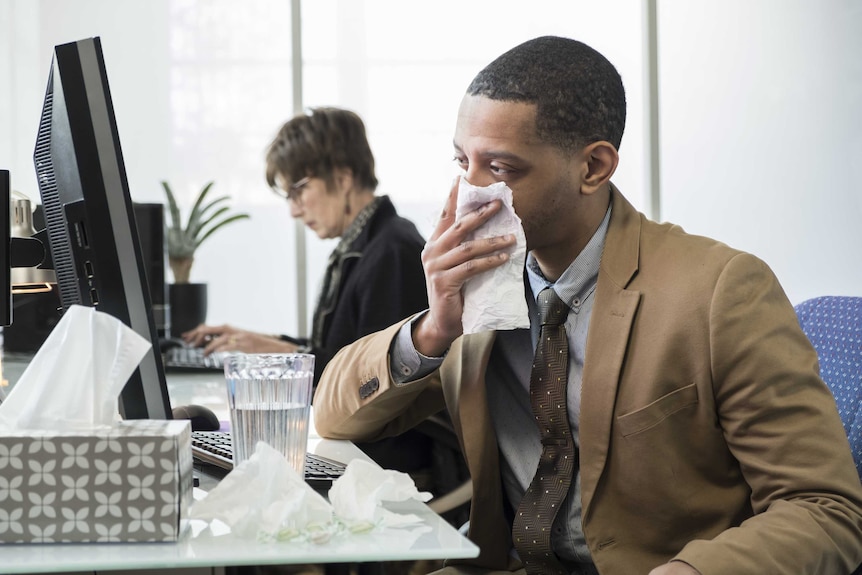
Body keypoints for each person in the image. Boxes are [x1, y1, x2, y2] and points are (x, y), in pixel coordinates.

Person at [313, 36, 862, 575]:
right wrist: (434, 330)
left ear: (594, 167)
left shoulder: (721, 291)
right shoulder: (479, 289)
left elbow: (825, 512)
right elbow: (332, 415)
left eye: (501, 170)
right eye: (463, 163)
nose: (469, 197)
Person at [185, 107, 438, 480]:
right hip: (349, 447)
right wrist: (265, 342)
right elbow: (347, 352)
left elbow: (372, 383)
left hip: (375, 466)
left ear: (343, 176)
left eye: (299, 191)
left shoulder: (392, 251)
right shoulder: (362, 246)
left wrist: (286, 354)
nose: (293, 210)